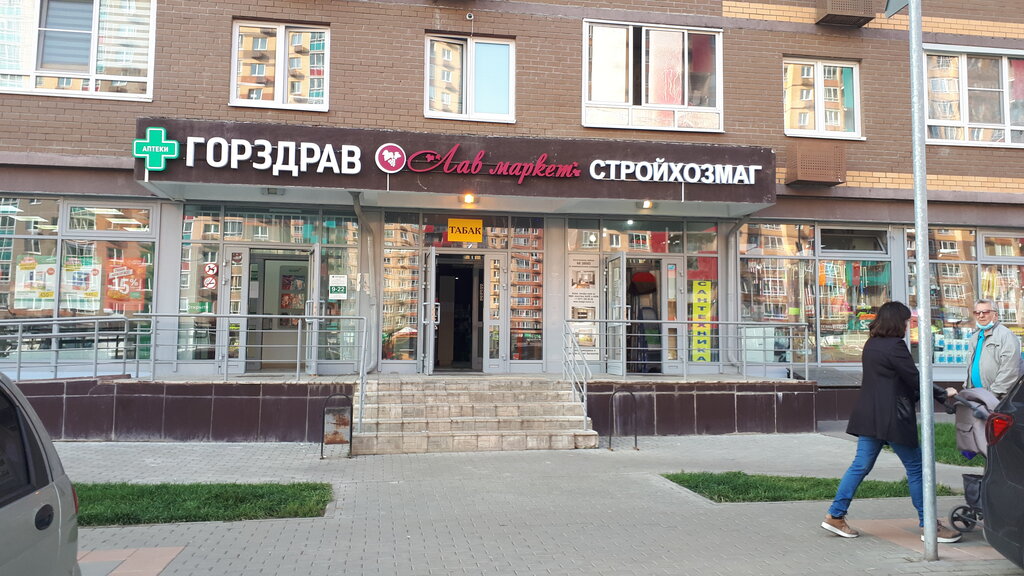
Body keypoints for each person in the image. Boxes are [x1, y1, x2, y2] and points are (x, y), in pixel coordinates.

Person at [821, 301, 962, 543]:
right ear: (898, 322)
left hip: (870, 416)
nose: (908, 325)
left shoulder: (872, 344)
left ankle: (835, 515)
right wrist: (943, 393)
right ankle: (929, 525)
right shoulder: (895, 346)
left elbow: (894, 380)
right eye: (906, 321)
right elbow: (914, 379)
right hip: (892, 418)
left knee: (860, 466)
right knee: (916, 468)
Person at [960, 299, 1021, 398]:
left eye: (985, 312)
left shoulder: (1006, 336)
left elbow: (1010, 370)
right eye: (977, 313)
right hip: (977, 395)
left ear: (995, 315)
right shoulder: (975, 337)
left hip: (997, 398)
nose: (981, 316)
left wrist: (993, 394)